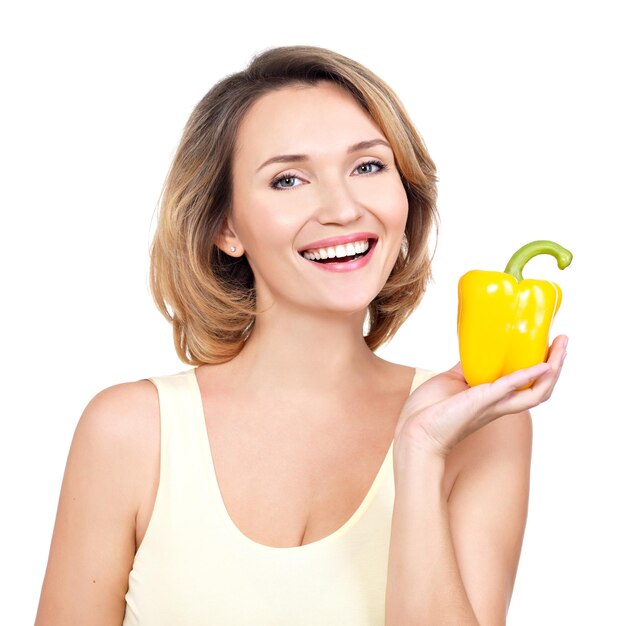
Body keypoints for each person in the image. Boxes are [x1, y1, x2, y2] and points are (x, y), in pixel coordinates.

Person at [35, 45, 567, 625]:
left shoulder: (481, 428)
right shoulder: (130, 432)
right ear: (225, 226)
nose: (342, 208)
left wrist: (420, 453)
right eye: (288, 179)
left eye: (368, 166)